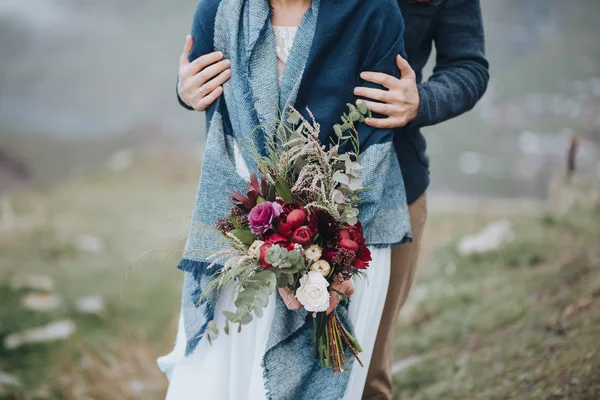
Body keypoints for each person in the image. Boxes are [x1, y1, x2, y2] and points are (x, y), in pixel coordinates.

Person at [176, 0, 489, 398]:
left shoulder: (376, 13)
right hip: (259, 212)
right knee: (237, 370)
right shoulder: (227, 10)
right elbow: (216, 79)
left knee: (364, 374)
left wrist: (420, 101)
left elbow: (469, 65)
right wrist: (187, 88)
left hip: (380, 196)